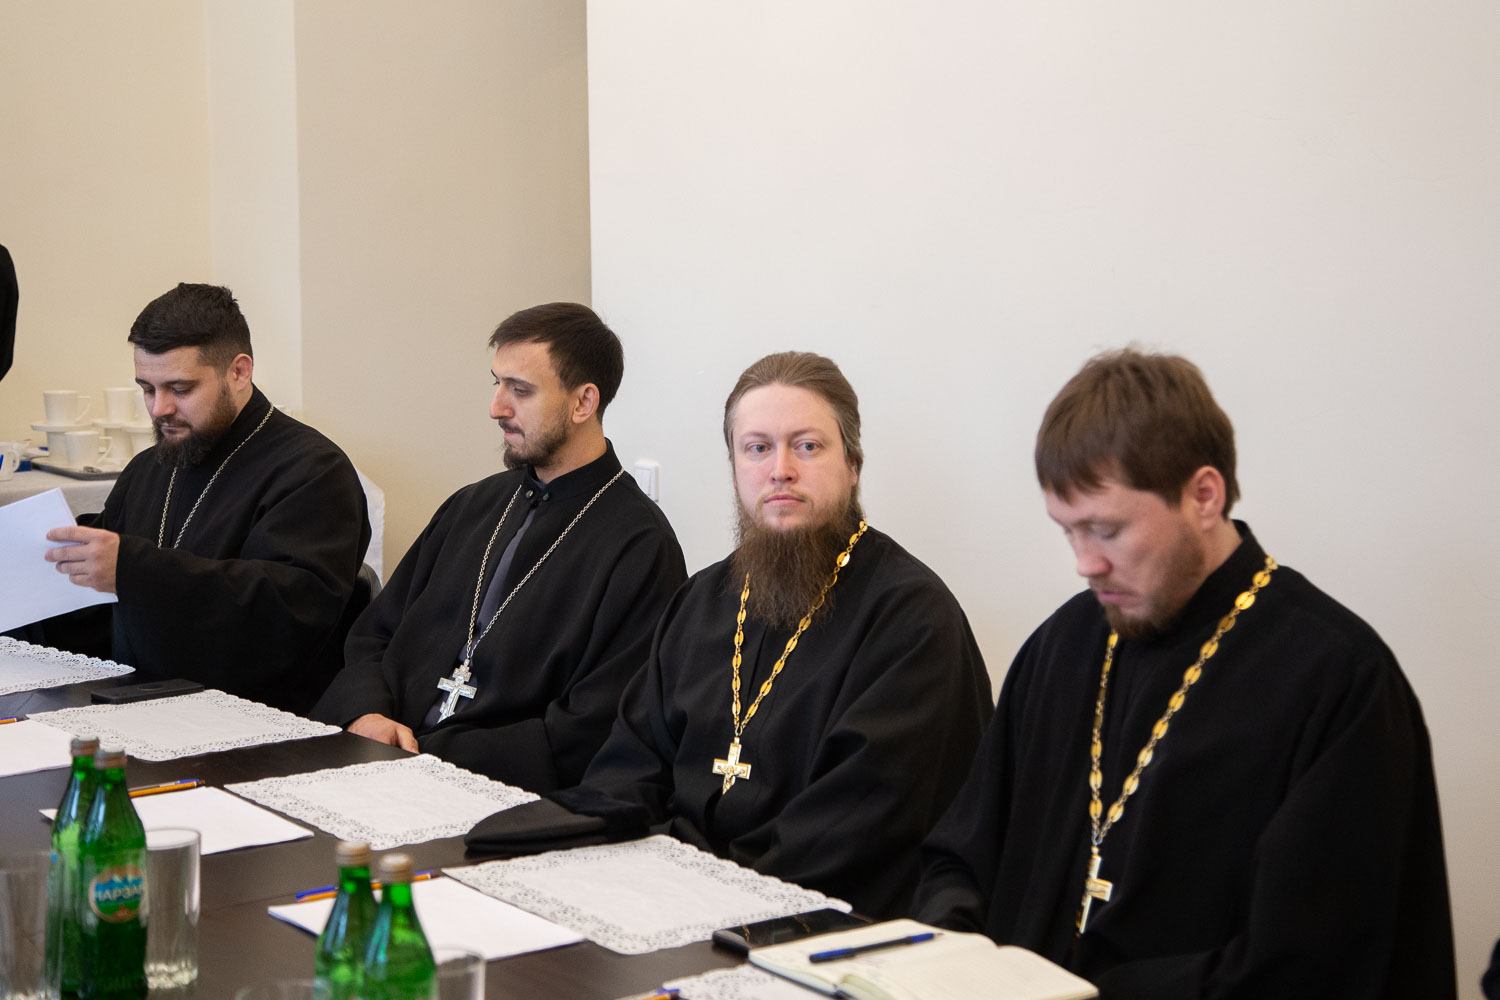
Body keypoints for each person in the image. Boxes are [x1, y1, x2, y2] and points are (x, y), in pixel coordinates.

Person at [912, 349, 1455, 998]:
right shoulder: (1062, 647)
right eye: (1068, 532)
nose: (1085, 564)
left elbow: (1312, 965)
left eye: (1106, 530)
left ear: (1203, 495)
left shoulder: (1339, 681)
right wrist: (952, 950)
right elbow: (961, 856)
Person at [467, 351, 993, 918]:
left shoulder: (913, 621)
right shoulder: (702, 600)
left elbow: (859, 827)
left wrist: (697, 897)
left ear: (852, 464)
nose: (780, 469)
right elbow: (630, 767)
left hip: (815, 923)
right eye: (757, 448)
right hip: (671, 896)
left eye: (807, 446)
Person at [312, 303, 686, 792]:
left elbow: (594, 726)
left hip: (499, 794)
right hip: (379, 757)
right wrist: (366, 713)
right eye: (497, 384)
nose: (496, 408)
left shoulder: (640, 547)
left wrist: (427, 756)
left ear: (583, 402)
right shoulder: (472, 506)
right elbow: (374, 635)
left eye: (520, 390)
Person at [43, 283, 371, 715]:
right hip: (136, 701)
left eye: (180, 389)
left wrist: (135, 571)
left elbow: (290, 613)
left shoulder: (313, 471)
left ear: (239, 372)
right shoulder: (149, 467)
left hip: (252, 715)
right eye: (147, 388)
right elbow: (98, 617)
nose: (159, 409)